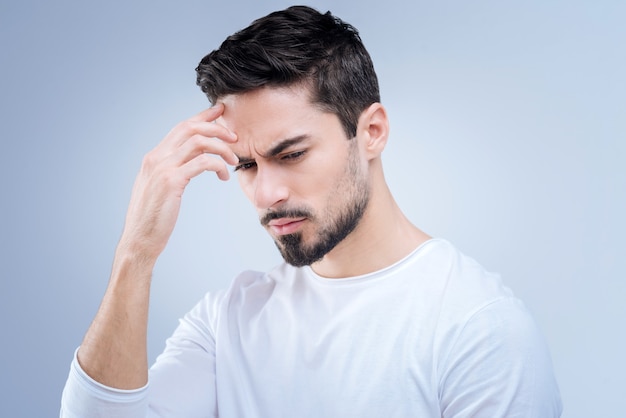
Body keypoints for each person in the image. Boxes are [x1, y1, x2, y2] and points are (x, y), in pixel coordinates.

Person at [60, 5, 562, 417]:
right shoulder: (229, 319)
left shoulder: (477, 328)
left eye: (292, 154)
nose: (266, 194)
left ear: (371, 132)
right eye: (245, 166)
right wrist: (136, 252)